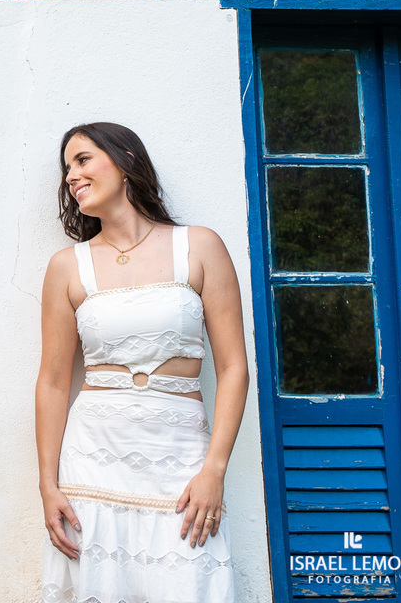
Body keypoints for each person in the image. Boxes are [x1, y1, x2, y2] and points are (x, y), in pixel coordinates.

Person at [36, 122, 248, 602]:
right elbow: (51, 383)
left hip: (181, 456)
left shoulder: (199, 246)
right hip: (92, 459)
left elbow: (234, 367)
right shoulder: (68, 267)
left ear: (127, 159)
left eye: (83, 159)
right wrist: (48, 485)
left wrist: (214, 469)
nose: (71, 176)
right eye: (66, 168)